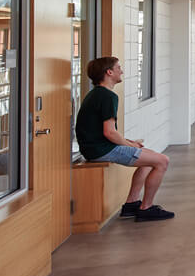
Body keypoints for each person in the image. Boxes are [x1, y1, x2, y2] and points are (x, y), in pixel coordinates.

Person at [74, 56, 174, 221]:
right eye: (118, 67)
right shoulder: (107, 96)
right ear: (109, 72)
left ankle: (131, 204)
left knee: (149, 161)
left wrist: (131, 143)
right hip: (101, 149)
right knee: (162, 161)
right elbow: (110, 133)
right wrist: (130, 145)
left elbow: (105, 131)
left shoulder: (96, 94)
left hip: (95, 147)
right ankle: (146, 208)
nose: (122, 71)